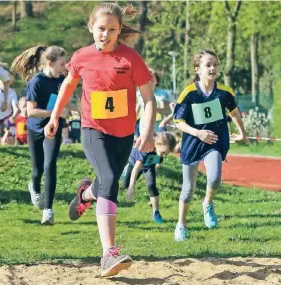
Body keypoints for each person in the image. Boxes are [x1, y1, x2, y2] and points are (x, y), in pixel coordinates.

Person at [43, 3, 156, 277]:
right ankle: (109, 253)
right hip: (93, 129)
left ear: (119, 31)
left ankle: (86, 193)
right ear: (91, 27)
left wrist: (148, 131)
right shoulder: (82, 56)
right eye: (101, 29)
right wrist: (54, 117)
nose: (105, 34)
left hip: (124, 133)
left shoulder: (131, 59)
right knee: (109, 179)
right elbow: (68, 84)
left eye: (112, 30)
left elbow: (149, 98)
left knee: (107, 183)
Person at [172, 49, 247, 242]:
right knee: (188, 188)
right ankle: (181, 224)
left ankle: (207, 202)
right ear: (198, 69)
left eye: (215, 64)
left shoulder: (224, 92)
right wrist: (198, 133)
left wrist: (242, 133)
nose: (213, 68)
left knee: (214, 178)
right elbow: (178, 121)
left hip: (215, 141)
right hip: (192, 142)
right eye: (208, 65)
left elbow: (235, 112)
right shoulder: (188, 93)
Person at [11, 45, 75, 225]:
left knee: (50, 165)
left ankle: (48, 210)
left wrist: (76, 110)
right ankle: (35, 187)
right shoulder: (36, 82)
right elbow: (31, 112)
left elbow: (65, 101)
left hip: (53, 129)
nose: (65, 66)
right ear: (50, 62)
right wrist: (55, 112)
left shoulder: (62, 80)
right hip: (36, 129)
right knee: (37, 168)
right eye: (62, 63)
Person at [123, 131, 177, 223]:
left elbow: (158, 158)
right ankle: (125, 169)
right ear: (158, 144)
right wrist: (132, 187)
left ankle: (156, 213)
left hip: (149, 167)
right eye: (163, 152)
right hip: (135, 164)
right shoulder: (145, 150)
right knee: (126, 184)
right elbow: (136, 169)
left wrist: (158, 163)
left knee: (152, 186)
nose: (164, 155)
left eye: (166, 154)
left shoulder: (160, 149)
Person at [0, 78, 19, 145]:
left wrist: (14, 116)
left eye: (7, 81)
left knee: (10, 136)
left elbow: (16, 108)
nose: (5, 83)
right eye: (3, 81)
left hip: (7, 118)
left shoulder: (12, 93)